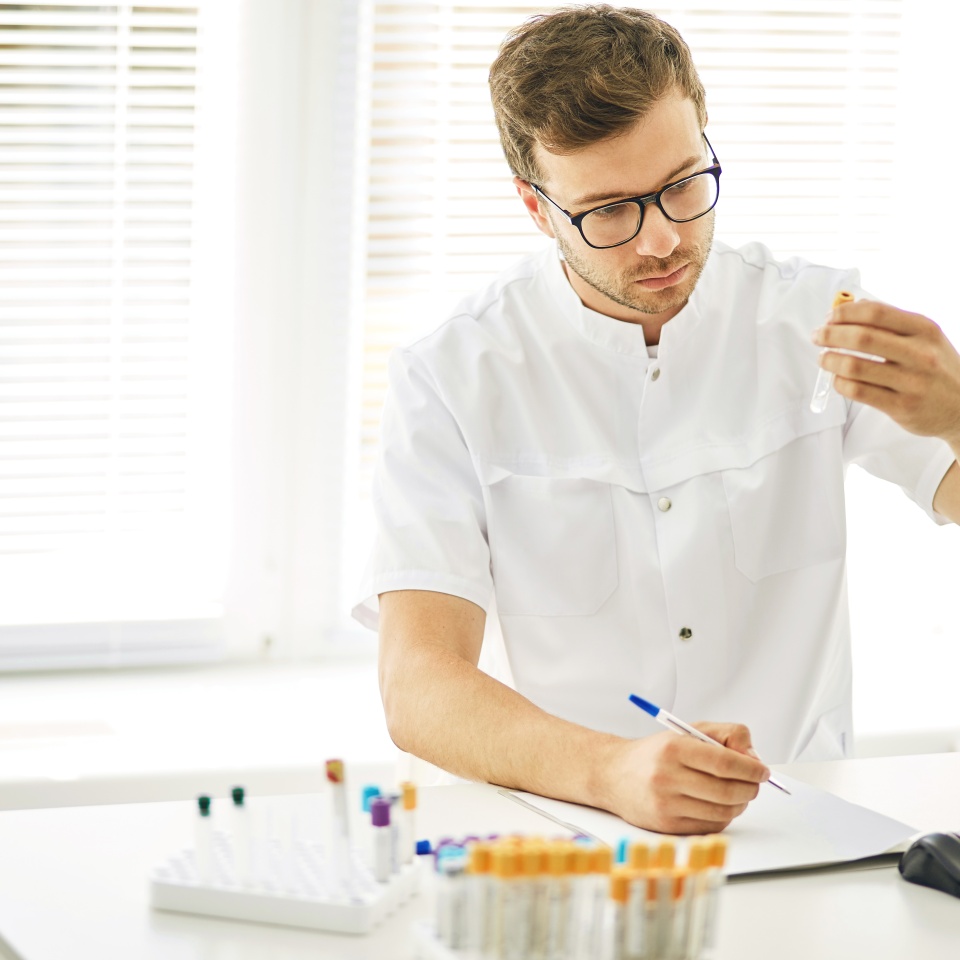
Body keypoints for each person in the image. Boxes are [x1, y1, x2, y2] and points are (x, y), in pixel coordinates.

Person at [352, 5, 960, 834]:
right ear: (537, 209)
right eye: (608, 211)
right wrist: (612, 771)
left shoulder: (813, 316)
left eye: (683, 185)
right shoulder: (454, 375)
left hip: (805, 822)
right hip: (565, 833)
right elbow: (417, 684)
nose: (663, 241)